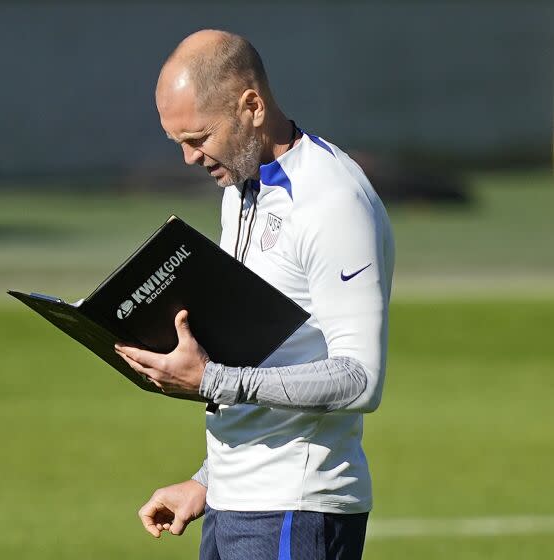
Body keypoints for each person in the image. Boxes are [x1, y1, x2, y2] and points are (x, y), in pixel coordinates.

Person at [114, 29, 394, 560]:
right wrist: (207, 480)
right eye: (179, 143)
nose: (190, 159)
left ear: (252, 105)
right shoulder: (241, 189)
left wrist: (211, 380)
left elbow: (361, 379)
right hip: (231, 504)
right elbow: (269, 348)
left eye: (198, 138)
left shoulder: (331, 200)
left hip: (296, 509)